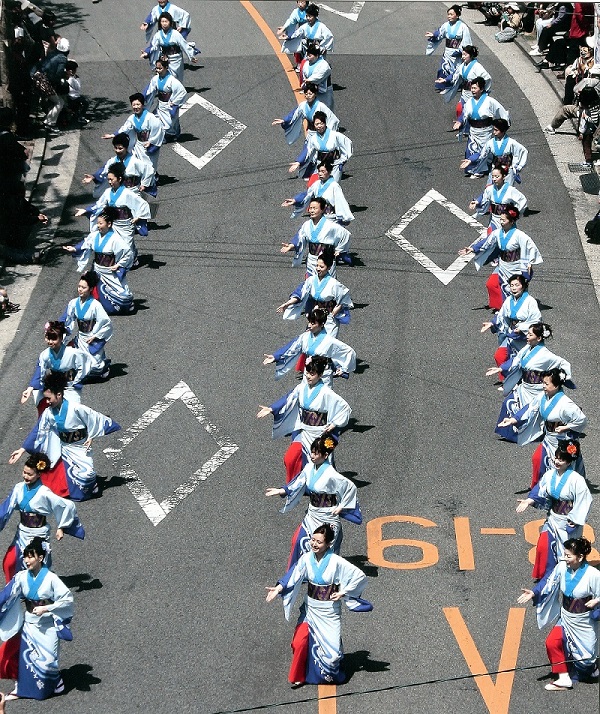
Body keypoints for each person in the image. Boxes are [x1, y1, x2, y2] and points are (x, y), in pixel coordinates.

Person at [265, 523, 371, 687]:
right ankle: (301, 673)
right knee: (299, 642)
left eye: (319, 542)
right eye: (313, 540)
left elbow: (359, 576)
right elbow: (293, 575)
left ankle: (330, 668)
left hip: (329, 612)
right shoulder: (306, 558)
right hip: (310, 609)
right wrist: (279, 588)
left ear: (328, 544)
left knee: (333, 656)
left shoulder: (336, 561)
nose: (314, 544)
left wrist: (343, 592)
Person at [10, 371, 121, 501]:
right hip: (65, 448)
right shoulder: (48, 413)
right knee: (73, 484)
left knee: (87, 474)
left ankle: (92, 484)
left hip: (80, 445)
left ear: (59, 395)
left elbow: (93, 419)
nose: (47, 401)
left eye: (49, 398)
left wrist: (91, 436)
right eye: (45, 398)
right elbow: (38, 430)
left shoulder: (76, 408)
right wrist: (22, 449)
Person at [266, 436, 361, 570]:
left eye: (316, 453)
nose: (312, 456)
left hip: (327, 516)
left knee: (325, 549)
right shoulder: (309, 468)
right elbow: (299, 482)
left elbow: (350, 487)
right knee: (298, 540)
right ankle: (297, 572)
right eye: (312, 452)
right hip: (312, 514)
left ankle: (324, 576)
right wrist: (282, 490)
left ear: (325, 454)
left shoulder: (331, 474)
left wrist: (341, 506)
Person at [517, 537, 600, 691]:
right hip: (566, 618)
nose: (564, 558)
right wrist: (534, 593)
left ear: (580, 557)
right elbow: (548, 581)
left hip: (584, 622)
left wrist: (596, 603)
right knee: (552, 642)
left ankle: (590, 668)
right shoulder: (562, 567)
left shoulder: (593, 574)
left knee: (586, 663)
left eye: (568, 556)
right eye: (564, 554)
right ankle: (563, 678)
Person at [0, 536, 74, 700]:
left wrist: (46, 607)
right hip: (30, 624)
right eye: (25, 556)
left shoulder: (51, 579)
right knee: (27, 658)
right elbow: (6, 594)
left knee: (47, 660)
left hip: (48, 624)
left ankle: (56, 681)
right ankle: (22, 688)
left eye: (31, 556)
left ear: (40, 558)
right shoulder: (21, 577)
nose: (27, 560)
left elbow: (67, 599)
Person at [257, 355, 351, 483]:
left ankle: (330, 487)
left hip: (320, 434)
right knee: (290, 458)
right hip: (304, 431)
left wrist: (335, 423)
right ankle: (296, 484)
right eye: (307, 372)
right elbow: (288, 398)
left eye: (312, 374)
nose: (308, 376)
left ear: (320, 375)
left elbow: (344, 408)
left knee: (323, 464)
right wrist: (272, 408)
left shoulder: (326, 392)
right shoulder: (301, 388)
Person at [0, 453, 83, 581]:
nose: (25, 476)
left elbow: (66, 505)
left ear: (38, 474)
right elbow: (6, 508)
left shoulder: (44, 492)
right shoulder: (18, 488)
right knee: (9, 562)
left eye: (29, 474)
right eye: (24, 472)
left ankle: (41, 591)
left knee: (36, 568)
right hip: (21, 533)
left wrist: (61, 527)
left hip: (38, 535)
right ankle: (12, 590)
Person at [516, 440, 592, 581]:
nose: (557, 461)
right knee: (543, 546)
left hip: (568, 522)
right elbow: (540, 491)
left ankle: (570, 577)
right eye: (556, 458)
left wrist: (575, 520)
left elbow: (584, 501)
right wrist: (528, 501)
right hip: (553, 519)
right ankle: (548, 575)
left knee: (567, 553)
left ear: (569, 462)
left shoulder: (577, 480)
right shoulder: (549, 475)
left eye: (561, 459)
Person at [498, 367, 587, 487]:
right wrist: (513, 419)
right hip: (549, 437)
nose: (543, 386)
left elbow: (582, 419)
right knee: (538, 458)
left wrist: (567, 427)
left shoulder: (567, 404)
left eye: (546, 383)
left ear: (555, 386)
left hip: (562, 441)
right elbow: (530, 408)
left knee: (564, 468)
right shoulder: (543, 397)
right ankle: (538, 488)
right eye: (543, 383)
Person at [490, 323, 572, 444]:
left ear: (539, 338)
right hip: (524, 386)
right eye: (527, 333)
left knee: (530, 413)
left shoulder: (547, 355)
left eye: (530, 334)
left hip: (536, 389)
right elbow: (517, 359)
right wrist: (501, 368)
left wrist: (561, 378)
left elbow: (563, 363)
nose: (527, 336)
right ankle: (510, 433)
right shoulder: (527, 348)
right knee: (509, 403)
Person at [459, 206, 542, 311]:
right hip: (503, 265)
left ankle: (516, 312)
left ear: (511, 221)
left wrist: (528, 265)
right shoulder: (498, 233)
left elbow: (529, 249)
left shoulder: (520, 235)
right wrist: (472, 248)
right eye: (500, 219)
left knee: (513, 290)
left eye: (503, 220)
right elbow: (487, 242)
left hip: (515, 266)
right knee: (499, 286)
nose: (501, 222)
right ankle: (503, 309)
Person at [64, 207, 136, 315]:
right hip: (97, 269)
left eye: (101, 223)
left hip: (109, 271)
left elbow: (128, 253)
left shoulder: (116, 239)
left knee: (122, 294)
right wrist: (74, 248)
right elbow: (85, 244)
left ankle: (124, 306)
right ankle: (94, 307)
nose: (98, 226)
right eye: (97, 223)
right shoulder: (94, 235)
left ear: (109, 224)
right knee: (91, 287)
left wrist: (119, 265)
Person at [263, 307, 356, 387]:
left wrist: (343, 369)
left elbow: (348, 351)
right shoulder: (305, 337)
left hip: (323, 376)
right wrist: (275, 356)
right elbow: (292, 347)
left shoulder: (329, 341)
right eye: (310, 322)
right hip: (307, 374)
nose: (309, 325)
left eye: (313, 323)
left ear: (321, 324)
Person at [75, 162, 151, 257]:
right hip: (113, 224)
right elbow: (99, 205)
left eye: (111, 179)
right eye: (108, 180)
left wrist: (138, 217)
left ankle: (132, 259)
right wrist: (86, 210)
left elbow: (142, 204)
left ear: (119, 179)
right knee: (115, 245)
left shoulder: (127, 193)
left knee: (127, 246)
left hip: (125, 225)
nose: (110, 182)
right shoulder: (107, 192)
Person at [277, 248, 353, 337]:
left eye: (321, 267)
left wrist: (333, 313)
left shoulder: (334, 284)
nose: (318, 269)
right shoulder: (311, 280)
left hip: (329, 319)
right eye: (317, 265)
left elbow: (344, 298)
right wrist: (287, 304)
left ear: (328, 268)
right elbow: (300, 293)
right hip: (315, 318)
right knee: (310, 342)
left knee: (326, 346)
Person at [21, 320, 92, 411]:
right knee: (46, 408)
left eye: (54, 339)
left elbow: (85, 365)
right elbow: (39, 372)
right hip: (53, 387)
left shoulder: (72, 353)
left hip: (69, 386)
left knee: (72, 411)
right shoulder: (45, 355)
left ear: (61, 338)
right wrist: (30, 389)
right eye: (48, 338)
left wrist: (77, 382)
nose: (50, 342)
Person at [60, 271, 113, 380]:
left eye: (83, 287)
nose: (80, 289)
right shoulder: (73, 303)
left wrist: (95, 335)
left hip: (92, 339)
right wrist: (59, 329)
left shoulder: (96, 305)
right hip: (80, 339)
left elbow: (106, 322)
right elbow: (67, 319)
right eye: (79, 286)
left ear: (90, 289)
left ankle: (103, 367)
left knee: (95, 367)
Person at [481, 274, 541, 369]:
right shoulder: (509, 300)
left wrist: (521, 328)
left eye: (517, 285)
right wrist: (492, 323)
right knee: (500, 356)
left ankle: (522, 382)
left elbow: (536, 320)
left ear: (524, 286)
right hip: (511, 334)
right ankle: (507, 381)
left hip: (524, 337)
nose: (514, 288)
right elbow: (501, 315)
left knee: (524, 361)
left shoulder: (531, 301)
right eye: (511, 285)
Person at [280, 197, 351, 278]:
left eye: (315, 208)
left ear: (322, 209)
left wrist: (340, 250)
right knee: (310, 284)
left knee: (326, 285)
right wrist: (291, 246)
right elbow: (300, 238)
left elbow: (346, 235)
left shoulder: (331, 225)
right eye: (310, 208)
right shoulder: (306, 225)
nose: (312, 210)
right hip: (311, 260)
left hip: (326, 260)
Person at [457, 77, 510, 178]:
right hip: (473, 131)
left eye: (475, 88)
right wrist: (459, 122)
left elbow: (501, 112)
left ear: (481, 89)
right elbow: (464, 114)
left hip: (485, 131)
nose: (472, 90)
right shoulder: (469, 102)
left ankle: (480, 170)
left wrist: (503, 126)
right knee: (471, 149)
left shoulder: (490, 101)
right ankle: (472, 168)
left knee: (484, 151)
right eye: (472, 88)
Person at [103, 93, 165, 174]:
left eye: (138, 104)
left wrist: (151, 141)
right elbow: (125, 128)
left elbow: (157, 129)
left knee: (149, 164)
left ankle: (152, 179)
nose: (136, 107)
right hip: (139, 145)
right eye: (134, 105)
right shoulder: (132, 118)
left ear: (142, 105)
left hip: (149, 145)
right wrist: (113, 135)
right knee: (138, 162)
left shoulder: (150, 117)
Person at [83, 132, 155, 199]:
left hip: (132, 193)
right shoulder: (112, 161)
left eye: (120, 148)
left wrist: (144, 184)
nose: (117, 151)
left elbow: (149, 170)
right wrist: (93, 177)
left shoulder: (134, 161)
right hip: (116, 194)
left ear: (126, 148)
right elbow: (103, 172)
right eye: (115, 148)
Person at [282, 160, 354, 225]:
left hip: (330, 218)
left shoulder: (334, 186)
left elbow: (340, 201)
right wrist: (295, 200)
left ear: (329, 172)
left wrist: (344, 217)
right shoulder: (316, 184)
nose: (320, 173)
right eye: (319, 171)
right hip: (317, 217)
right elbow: (308, 194)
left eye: (323, 171)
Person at [289, 112, 352, 181]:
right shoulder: (313, 138)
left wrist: (342, 161)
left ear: (325, 123)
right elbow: (307, 151)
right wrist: (299, 162)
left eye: (321, 123)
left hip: (334, 165)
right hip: (320, 166)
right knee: (319, 187)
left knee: (331, 186)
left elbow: (347, 145)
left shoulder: (335, 135)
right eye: (317, 124)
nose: (319, 126)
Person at [272, 83, 339, 146]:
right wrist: (284, 120)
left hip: (321, 137)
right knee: (304, 157)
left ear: (315, 94)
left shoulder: (321, 106)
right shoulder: (303, 105)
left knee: (307, 157)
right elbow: (294, 114)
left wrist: (328, 136)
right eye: (306, 94)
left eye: (310, 94)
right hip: (310, 135)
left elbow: (333, 120)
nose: (308, 96)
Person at [436, 46, 491, 123]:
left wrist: (482, 90)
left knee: (471, 112)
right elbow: (455, 74)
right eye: (462, 55)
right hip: (465, 92)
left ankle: (467, 127)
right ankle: (460, 123)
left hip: (474, 93)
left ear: (471, 55)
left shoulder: (477, 67)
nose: (463, 57)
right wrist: (445, 79)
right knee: (459, 109)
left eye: (465, 55)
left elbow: (487, 78)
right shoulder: (463, 65)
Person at [469, 165, 528, 235]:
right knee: (491, 238)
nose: (494, 179)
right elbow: (484, 199)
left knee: (508, 242)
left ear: (504, 176)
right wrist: (476, 202)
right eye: (493, 176)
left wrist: (515, 215)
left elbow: (522, 201)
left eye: (497, 177)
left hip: (507, 222)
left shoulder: (510, 190)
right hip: (494, 220)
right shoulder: (489, 189)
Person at [141, 12, 196, 84]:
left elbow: (184, 45)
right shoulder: (158, 35)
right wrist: (146, 53)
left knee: (176, 79)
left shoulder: (175, 34)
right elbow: (153, 46)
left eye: (166, 21)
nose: (164, 24)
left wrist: (191, 57)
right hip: (165, 59)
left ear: (170, 22)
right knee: (166, 77)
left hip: (176, 59)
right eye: (162, 21)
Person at [425, 4, 472, 84]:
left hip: (458, 51)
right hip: (448, 51)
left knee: (458, 68)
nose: (449, 16)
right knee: (445, 66)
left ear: (457, 15)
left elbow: (466, 41)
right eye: (448, 14)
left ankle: (457, 84)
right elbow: (440, 33)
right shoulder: (446, 25)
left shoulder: (463, 26)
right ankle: (444, 83)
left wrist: (461, 51)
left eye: (451, 14)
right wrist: (434, 35)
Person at [473, 118, 528, 185]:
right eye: (494, 129)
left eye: (496, 130)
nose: (494, 132)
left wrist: (519, 166)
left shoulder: (511, 142)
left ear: (503, 130)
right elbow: (482, 155)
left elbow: (523, 151)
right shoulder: (490, 143)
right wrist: (471, 160)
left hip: (508, 171)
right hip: (495, 171)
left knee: (506, 192)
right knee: (490, 190)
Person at [144, 56, 187, 141]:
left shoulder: (172, 80)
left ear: (166, 68)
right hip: (160, 105)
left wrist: (174, 103)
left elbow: (182, 92)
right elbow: (150, 90)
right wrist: (144, 97)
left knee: (170, 123)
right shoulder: (155, 79)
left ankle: (171, 135)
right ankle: (162, 137)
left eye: (160, 68)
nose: (158, 70)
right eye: (157, 68)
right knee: (156, 120)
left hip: (168, 105)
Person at [299, 43, 333, 110]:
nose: (308, 57)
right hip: (312, 91)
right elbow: (304, 76)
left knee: (326, 110)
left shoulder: (324, 64)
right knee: (312, 109)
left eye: (310, 56)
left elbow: (320, 75)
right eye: (307, 55)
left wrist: (310, 80)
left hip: (324, 92)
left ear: (317, 55)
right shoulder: (306, 64)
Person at [277, 0, 308, 68]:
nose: (300, 4)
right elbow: (290, 21)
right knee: (297, 47)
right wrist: (284, 28)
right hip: (301, 33)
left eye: (302, 2)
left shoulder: (310, 10)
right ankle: (299, 64)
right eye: (298, 2)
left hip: (311, 33)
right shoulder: (296, 12)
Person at [64, 60, 89, 126]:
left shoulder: (64, 75)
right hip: (73, 96)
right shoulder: (72, 79)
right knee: (86, 103)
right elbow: (78, 87)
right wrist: (77, 79)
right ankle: (81, 117)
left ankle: (72, 116)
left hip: (67, 96)